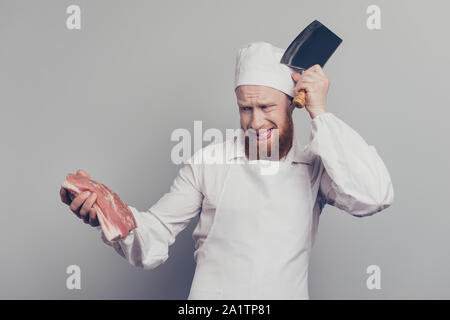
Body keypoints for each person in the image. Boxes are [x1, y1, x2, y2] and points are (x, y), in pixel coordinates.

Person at [59, 42, 394, 299]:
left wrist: (320, 111)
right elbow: (155, 238)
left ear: (294, 104)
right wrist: (114, 220)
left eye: (266, 107)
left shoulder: (314, 167)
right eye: (245, 108)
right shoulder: (207, 163)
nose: (255, 121)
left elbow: (374, 196)